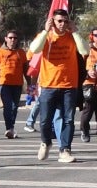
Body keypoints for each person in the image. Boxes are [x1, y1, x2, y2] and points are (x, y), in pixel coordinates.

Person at [32, 10, 84, 163]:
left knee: (68, 119)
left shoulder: (72, 37)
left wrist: (75, 32)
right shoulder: (46, 36)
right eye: (59, 21)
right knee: (45, 119)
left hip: (69, 85)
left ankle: (65, 150)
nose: (62, 24)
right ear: (52, 21)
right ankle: (45, 142)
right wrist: (45, 31)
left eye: (65, 21)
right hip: (49, 85)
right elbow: (34, 49)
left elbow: (84, 50)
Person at [0, 28, 31, 137]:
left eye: (15, 38)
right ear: (6, 39)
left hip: (17, 84)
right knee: (8, 106)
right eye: (10, 38)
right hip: (4, 84)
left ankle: (11, 127)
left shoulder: (21, 53)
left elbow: (26, 70)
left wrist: (30, 84)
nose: (13, 40)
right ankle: (8, 128)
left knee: (14, 107)